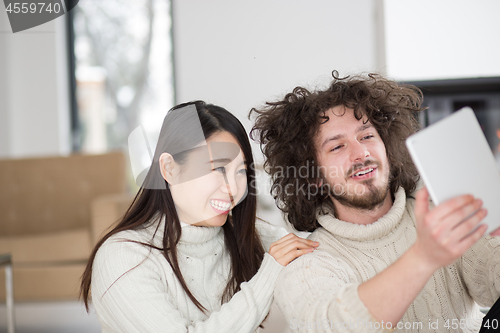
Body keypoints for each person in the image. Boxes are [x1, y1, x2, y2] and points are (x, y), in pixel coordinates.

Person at [250, 72, 500, 332]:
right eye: (337, 147)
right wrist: (423, 257)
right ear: (314, 178)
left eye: (367, 136)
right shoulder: (307, 264)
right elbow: (333, 325)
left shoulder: (441, 216)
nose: (361, 153)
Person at [80, 101, 318, 332]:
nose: (233, 188)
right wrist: (268, 274)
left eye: (241, 171)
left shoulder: (252, 236)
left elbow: (320, 247)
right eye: (217, 168)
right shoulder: (123, 257)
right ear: (169, 169)